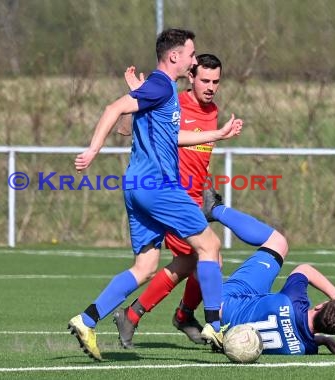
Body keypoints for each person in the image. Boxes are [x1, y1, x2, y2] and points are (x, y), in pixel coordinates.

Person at [69, 29, 243, 361]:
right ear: (175, 57)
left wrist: (218, 134)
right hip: (160, 186)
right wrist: (93, 150)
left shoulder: (163, 91)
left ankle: (87, 320)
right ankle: (215, 325)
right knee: (210, 246)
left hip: (136, 188)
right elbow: (113, 108)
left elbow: (171, 136)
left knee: (147, 265)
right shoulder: (163, 84)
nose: (194, 61)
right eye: (191, 55)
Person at [112, 54, 288, 350]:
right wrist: (136, 98)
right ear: (190, 77)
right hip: (170, 199)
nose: (210, 87)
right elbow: (125, 130)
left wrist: (204, 186)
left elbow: (196, 154)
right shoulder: (172, 101)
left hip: (194, 199)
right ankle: (197, 320)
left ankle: (137, 315)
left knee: (186, 263)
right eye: (204, 80)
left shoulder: (213, 110)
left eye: (216, 81)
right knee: (210, 257)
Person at [219, 253, 335, 355]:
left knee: (278, 242)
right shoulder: (304, 349)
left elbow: (304, 269)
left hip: (222, 306)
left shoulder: (293, 299)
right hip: (229, 337)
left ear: (320, 306)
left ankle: (215, 211)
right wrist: (324, 340)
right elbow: (299, 337)